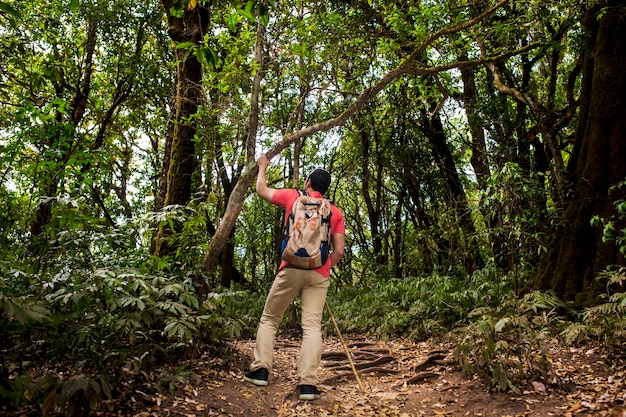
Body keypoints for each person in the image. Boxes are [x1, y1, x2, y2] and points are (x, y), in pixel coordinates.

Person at [244, 153, 346, 401]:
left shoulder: (293, 197)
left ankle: (260, 370)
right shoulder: (334, 212)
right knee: (311, 327)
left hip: (289, 269)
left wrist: (262, 166)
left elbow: (262, 190)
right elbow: (339, 251)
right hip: (318, 274)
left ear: (309, 183)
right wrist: (323, 268)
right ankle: (308, 385)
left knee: (270, 319)